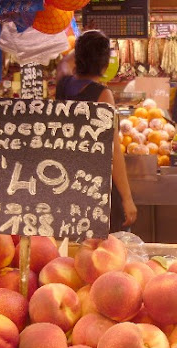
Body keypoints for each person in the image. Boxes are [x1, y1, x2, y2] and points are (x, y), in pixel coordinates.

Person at [56, 30, 137, 230]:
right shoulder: (102, 94)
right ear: (104, 63)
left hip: (66, 179)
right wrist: (126, 198)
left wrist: (82, 50)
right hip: (94, 183)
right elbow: (113, 150)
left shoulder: (63, 84)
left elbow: (63, 63)